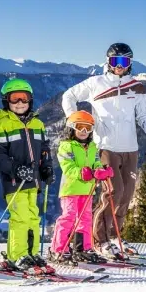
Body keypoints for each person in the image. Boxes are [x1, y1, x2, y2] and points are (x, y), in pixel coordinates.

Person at [60, 43, 146, 258]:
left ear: (130, 64)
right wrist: (75, 120)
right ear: (108, 62)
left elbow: (143, 116)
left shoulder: (137, 88)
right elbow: (68, 96)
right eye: (115, 61)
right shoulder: (95, 83)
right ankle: (100, 239)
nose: (119, 66)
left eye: (124, 62)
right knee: (113, 192)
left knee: (126, 194)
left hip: (130, 148)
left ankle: (116, 235)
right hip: (105, 145)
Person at [0, 78, 54, 271]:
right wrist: (14, 168)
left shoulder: (37, 124)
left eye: (24, 98)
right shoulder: (1, 126)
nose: (19, 103)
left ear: (30, 100)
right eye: (14, 98)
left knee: (33, 217)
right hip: (14, 180)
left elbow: (45, 149)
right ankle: (17, 256)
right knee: (20, 217)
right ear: (6, 101)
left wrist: (46, 168)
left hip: (34, 180)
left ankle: (31, 253)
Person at [50, 111, 114, 264]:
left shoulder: (92, 147)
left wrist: (103, 170)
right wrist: (82, 172)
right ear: (71, 128)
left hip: (87, 190)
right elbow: (68, 167)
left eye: (88, 128)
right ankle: (58, 249)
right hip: (70, 189)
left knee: (85, 219)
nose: (84, 132)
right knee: (69, 217)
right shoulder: (66, 147)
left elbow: (96, 163)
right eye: (80, 127)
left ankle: (83, 248)